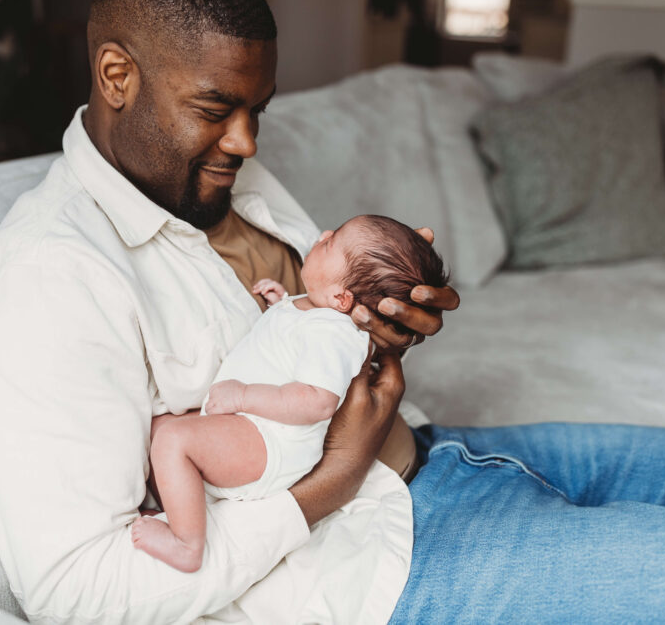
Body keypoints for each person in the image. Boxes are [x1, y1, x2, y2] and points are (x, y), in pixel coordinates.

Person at [0, 0, 665, 622]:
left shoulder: (222, 180)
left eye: (260, 109)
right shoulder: (48, 277)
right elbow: (75, 590)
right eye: (216, 109)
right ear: (115, 76)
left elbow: (320, 338)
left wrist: (384, 331)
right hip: (398, 566)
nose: (247, 142)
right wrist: (328, 486)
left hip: (450, 452)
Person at [132, 215, 448, 573]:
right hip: (253, 429)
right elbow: (289, 349)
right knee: (159, 430)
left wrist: (244, 396)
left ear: (342, 298)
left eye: (331, 243)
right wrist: (280, 305)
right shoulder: (317, 311)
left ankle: (187, 544)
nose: (324, 233)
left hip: (271, 441)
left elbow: (318, 400)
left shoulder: (334, 333)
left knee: (173, 439)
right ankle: (178, 509)